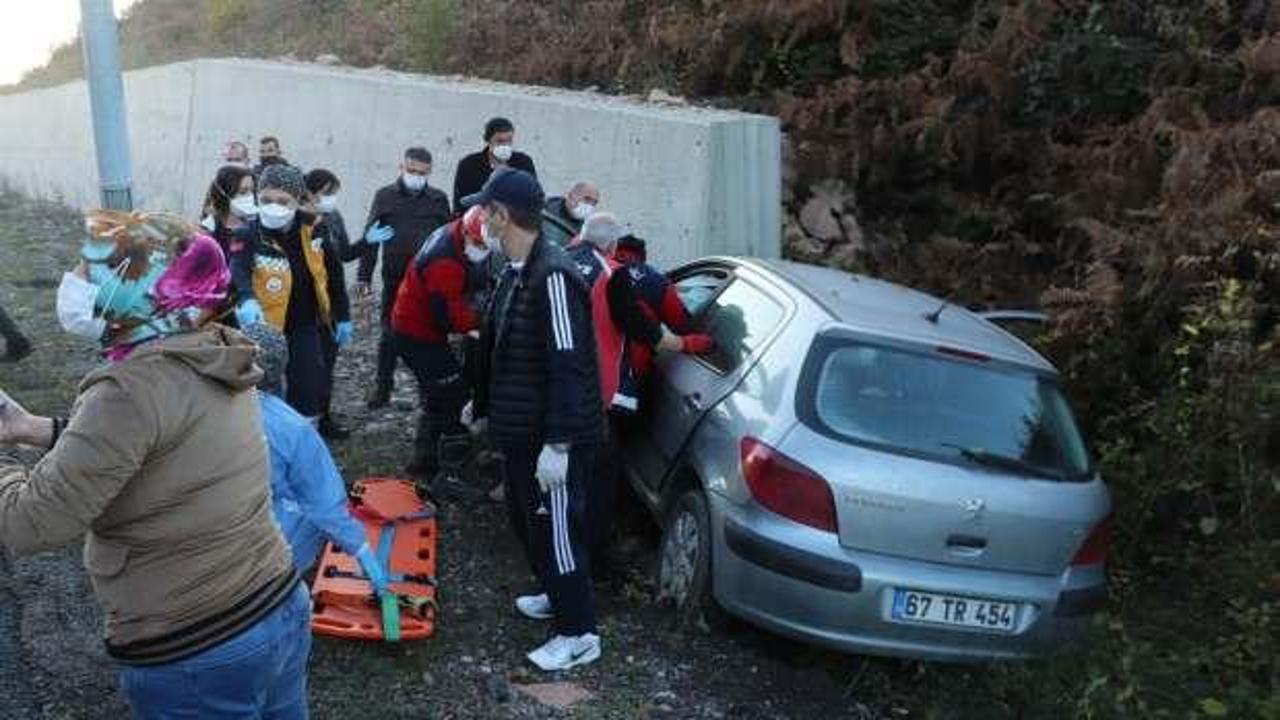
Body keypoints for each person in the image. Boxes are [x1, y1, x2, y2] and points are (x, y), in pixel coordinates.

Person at [2, 212, 309, 718]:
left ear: (136, 291)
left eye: (89, 270)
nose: (75, 282)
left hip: (199, 646)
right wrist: (36, 429)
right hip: (276, 604)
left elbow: (30, 523)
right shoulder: (213, 349)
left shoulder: (129, 389)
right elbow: (164, 446)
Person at [467, 169, 604, 671]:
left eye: (485, 210)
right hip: (522, 430)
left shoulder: (553, 277)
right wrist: (481, 402)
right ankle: (555, 593)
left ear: (503, 216)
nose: (480, 219)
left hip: (555, 438)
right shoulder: (515, 270)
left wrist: (561, 444)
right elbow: (503, 347)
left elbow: (568, 365)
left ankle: (578, 632)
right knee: (528, 522)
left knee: (558, 530)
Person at [564, 215, 713, 573]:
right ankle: (588, 550)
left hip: (568, 382)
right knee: (605, 465)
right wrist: (697, 343)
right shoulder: (642, 280)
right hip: (619, 385)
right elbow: (670, 327)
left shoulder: (564, 261)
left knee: (581, 462)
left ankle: (570, 535)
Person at [240, 322, 388, 591]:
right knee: (305, 512)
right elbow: (323, 502)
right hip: (261, 552)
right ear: (280, 370)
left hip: (195, 547)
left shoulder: (196, 406)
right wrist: (361, 548)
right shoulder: (291, 428)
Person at [229, 164, 349, 425]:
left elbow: (334, 274)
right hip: (265, 327)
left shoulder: (314, 228)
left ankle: (306, 436)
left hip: (305, 324)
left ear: (297, 201)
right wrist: (247, 297)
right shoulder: (248, 233)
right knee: (263, 389)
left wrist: (343, 315)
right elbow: (238, 269)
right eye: (266, 200)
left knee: (307, 385)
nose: (274, 206)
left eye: (283, 201)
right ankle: (265, 442)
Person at [389, 206, 488, 486]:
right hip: (417, 333)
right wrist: (480, 321)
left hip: (416, 324)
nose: (482, 249)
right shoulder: (444, 262)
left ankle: (425, 462)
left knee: (437, 393)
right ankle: (445, 463)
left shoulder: (455, 232)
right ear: (468, 234)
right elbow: (447, 316)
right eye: (479, 244)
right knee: (453, 393)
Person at [356, 147, 451, 409]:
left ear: (429, 172)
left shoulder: (438, 200)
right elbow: (372, 236)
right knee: (389, 335)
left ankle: (426, 389)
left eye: (422, 173)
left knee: (429, 336)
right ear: (402, 167)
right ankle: (383, 388)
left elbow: (448, 238)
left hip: (427, 282)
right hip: (395, 278)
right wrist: (364, 276)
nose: (416, 176)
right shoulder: (385, 196)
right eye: (411, 171)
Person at [304, 168, 356, 439]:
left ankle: (324, 418)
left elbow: (342, 258)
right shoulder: (299, 223)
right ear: (310, 192)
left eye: (334, 194)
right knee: (307, 369)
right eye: (327, 194)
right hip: (304, 308)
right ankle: (305, 421)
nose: (331, 200)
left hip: (329, 308)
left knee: (327, 367)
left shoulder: (332, 220)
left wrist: (367, 242)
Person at [452, 117, 537, 215]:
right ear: (488, 141)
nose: (505, 145)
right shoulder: (468, 165)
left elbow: (533, 197)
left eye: (509, 140)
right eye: (500, 141)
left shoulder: (524, 163)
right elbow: (460, 204)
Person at [541, 181, 600, 247]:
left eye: (594, 203)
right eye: (586, 199)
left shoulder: (585, 230)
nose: (589, 205)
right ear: (570, 196)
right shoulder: (542, 208)